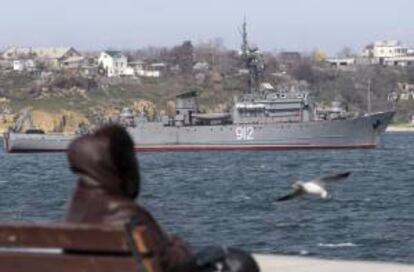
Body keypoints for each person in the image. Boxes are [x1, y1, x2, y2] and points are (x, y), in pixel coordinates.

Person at [66, 124, 260, 272]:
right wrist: (179, 245)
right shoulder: (125, 213)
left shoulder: (77, 209)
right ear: (121, 166)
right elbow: (170, 263)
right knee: (240, 263)